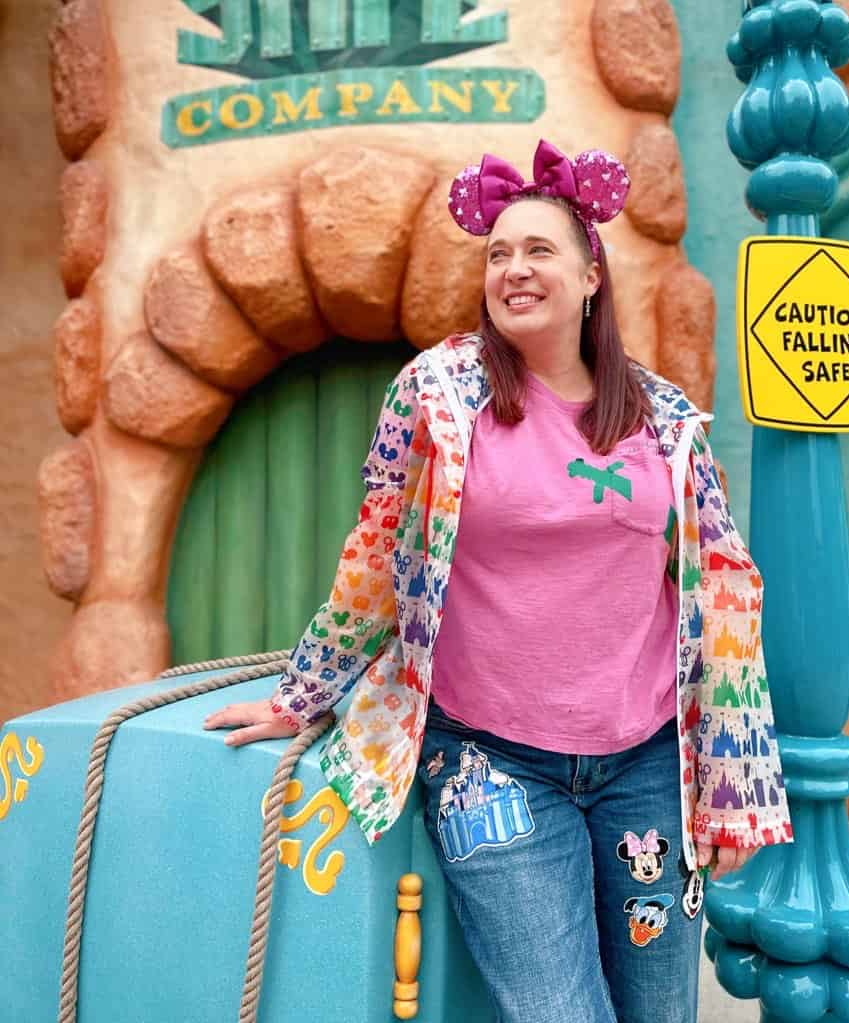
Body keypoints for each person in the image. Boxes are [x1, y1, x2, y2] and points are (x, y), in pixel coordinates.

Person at [204, 139, 792, 1023]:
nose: (514, 269)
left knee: (662, 1010)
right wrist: (301, 696)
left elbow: (724, 591)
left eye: (539, 250)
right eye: (498, 254)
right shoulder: (435, 396)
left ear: (591, 274)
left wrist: (733, 779)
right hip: (490, 759)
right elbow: (375, 556)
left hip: (645, 762)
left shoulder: (666, 420)